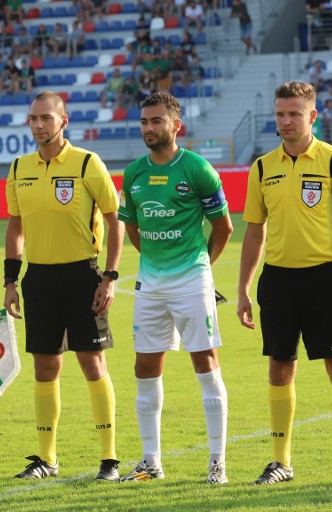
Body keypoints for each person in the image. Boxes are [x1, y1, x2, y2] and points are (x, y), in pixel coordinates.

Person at [237, 81, 332, 488]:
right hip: (277, 281)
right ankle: (281, 462)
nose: (286, 121)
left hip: (325, 277)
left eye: (294, 114)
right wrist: (243, 288)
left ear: (312, 116)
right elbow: (254, 233)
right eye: (280, 114)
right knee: (280, 370)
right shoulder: (261, 167)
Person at [3, 91, 123, 481]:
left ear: (63, 121)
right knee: (45, 366)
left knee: (92, 362)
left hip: (83, 275)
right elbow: (15, 227)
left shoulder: (88, 163)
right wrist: (10, 281)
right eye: (34, 118)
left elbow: (114, 218)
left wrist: (110, 276)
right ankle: (47, 459)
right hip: (38, 278)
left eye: (46, 118)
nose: (39, 125)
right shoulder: (19, 167)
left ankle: (109, 459)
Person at [117, 92, 233, 484]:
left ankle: (217, 462)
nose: (149, 128)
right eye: (144, 122)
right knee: (144, 369)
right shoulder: (133, 173)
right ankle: (151, 462)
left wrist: (199, 268)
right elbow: (132, 228)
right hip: (149, 285)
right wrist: (155, 262)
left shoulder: (198, 169)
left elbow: (224, 227)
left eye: (156, 121)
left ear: (175, 126)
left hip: (192, 282)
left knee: (205, 365)